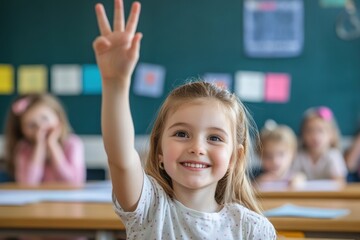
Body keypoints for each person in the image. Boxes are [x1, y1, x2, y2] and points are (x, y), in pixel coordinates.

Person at [93, 0, 276, 239]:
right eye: (181, 134)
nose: (197, 148)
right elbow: (120, 158)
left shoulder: (252, 229)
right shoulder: (148, 208)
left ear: (235, 157)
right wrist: (115, 83)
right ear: (159, 151)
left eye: (214, 137)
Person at [3, 93, 85, 185]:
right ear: (21, 129)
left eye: (45, 119)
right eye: (31, 125)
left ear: (58, 117)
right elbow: (26, 184)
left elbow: (73, 182)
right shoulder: (23, 149)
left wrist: (52, 145)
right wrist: (39, 147)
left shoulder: (73, 144)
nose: (40, 128)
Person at [292, 106, 347, 183]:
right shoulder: (299, 157)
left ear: (332, 134)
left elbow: (339, 182)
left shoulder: (334, 155)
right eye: (309, 131)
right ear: (303, 135)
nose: (315, 136)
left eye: (320, 131)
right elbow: (291, 178)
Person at [255, 120, 304, 188]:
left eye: (281, 154)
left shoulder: (295, 177)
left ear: (293, 154)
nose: (275, 161)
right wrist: (258, 183)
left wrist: (298, 181)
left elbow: (301, 179)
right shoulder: (255, 176)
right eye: (268, 156)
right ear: (260, 156)